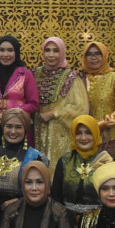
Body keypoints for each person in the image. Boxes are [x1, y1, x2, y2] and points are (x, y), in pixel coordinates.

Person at [33, 36, 90, 166]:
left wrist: (54, 113)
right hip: (37, 129)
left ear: (63, 52)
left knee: (58, 167)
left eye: (56, 51)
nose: (51, 55)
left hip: (60, 133)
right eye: (47, 50)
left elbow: (81, 107)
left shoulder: (71, 76)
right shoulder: (35, 73)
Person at [52, 115, 114, 222]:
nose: (83, 138)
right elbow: (56, 196)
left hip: (98, 222)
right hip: (66, 221)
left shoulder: (106, 161)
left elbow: (113, 196)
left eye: (88, 132)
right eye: (78, 133)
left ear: (96, 133)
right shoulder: (65, 160)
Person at [0, 107, 46, 215]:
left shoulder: (35, 157)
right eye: (9, 126)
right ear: (3, 128)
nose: (13, 131)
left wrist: (18, 202)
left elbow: (43, 192)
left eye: (18, 127)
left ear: (25, 129)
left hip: (22, 214)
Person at [0, 34, 40, 149]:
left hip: (18, 130)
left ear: (16, 53)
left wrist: (12, 113)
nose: (5, 54)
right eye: (2, 50)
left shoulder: (25, 74)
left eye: (10, 50)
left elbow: (34, 104)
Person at [79, 41, 115, 160]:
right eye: (89, 54)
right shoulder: (78, 79)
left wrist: (102, 123)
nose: (94, 57)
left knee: (108, 174)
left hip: (110, 139)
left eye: (98, 54)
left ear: (105, 56)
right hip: (83, 138)